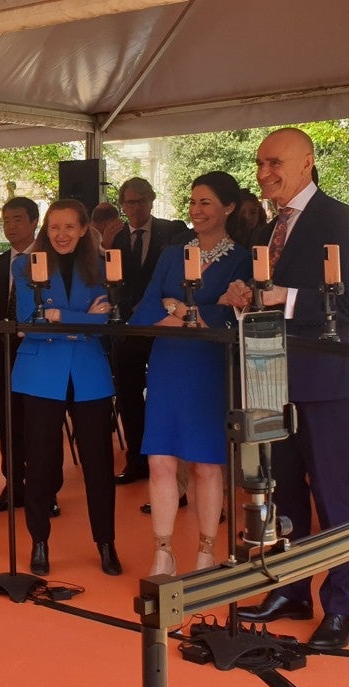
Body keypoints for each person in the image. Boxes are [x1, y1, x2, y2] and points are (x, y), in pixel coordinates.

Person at [231, 128, 349, 650]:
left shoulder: (341, 221)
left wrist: (287, 298)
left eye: (274, 162)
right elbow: (264, 299)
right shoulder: (266, 233)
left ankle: (343, 608)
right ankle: (292, 588)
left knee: (336, 497)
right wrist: (246, 297)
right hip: (269, 378)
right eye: (259, 164)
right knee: (282, 493)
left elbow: (344, 306)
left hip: (327, 383)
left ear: (308, 163)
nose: (263, 174)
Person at [131, 172, 250, 576]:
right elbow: (143, 313)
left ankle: (206, 552)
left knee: (205, 464)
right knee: (160, 461)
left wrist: (177, 308)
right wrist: (191, 314)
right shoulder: (170, 254)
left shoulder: (245, 258)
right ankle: (162, 552)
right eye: (193, 202)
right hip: (166, 365)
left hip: (209, 368)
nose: (196, 211)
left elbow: (230, 321)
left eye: (206, 203)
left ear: (228, 208)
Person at [12, 199, 120, 577]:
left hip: (90, 374)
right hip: (41, 375)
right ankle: (39, 540)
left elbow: (107, 320)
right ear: (45, 229)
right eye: (54, 227)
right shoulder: (25, 265)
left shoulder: (106, 266)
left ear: (84, 228)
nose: (61, 234)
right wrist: (80, 321)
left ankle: (106, 543)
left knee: (99, 465)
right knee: (41, 463)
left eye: (69, 227)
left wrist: (61, 317)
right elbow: (29, 323)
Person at [111, 177, 192, 485]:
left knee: (164, 393)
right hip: (128, 330)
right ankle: (136, 460)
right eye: (128, 202)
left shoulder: (171, 231)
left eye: (140, 200)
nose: (134, 207)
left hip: (163, 326)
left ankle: (170, 460)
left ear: (152, 200)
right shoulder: (116, 239)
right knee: (129, 395)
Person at [0, 197, 39, 513]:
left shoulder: (47, 260)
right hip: (4, 357)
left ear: (33, 222)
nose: (11, 227)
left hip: (40, 355)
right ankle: (13, 486)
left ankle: (43, 491)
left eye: (17, 220)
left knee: (39, 425)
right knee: (8, 425)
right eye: (7, 221)